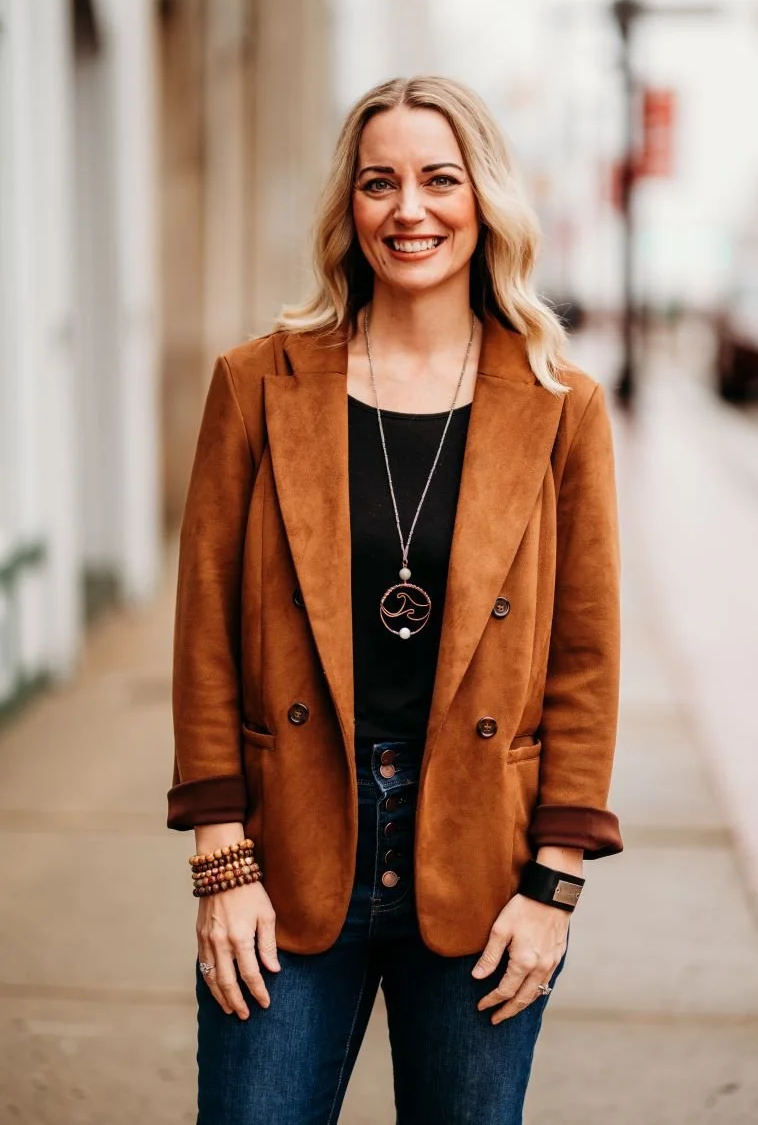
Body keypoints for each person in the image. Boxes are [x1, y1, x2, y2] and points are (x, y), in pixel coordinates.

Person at [168, 75, 623, 1125]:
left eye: (436, 178)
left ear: (483, 200)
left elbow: (584, 660)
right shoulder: (256, 383)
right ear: (349, 208)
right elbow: (203, 638)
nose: (406, 208)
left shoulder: (560, 406)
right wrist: (219, 860)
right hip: (285, 848)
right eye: (378, 182)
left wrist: (552, 885)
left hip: (483, 856)